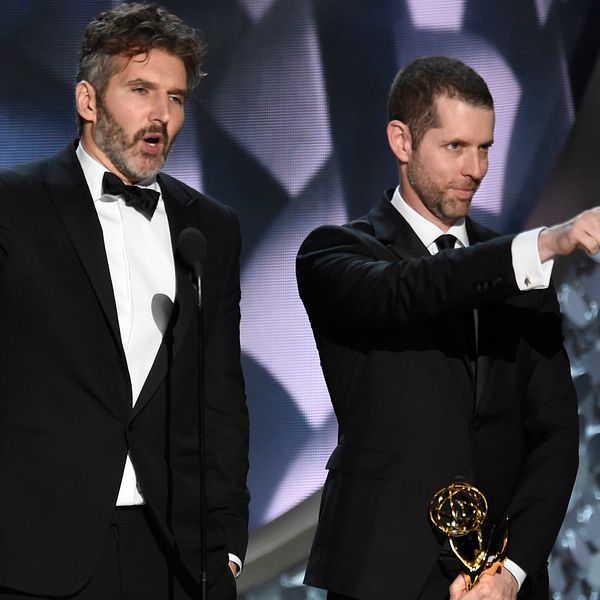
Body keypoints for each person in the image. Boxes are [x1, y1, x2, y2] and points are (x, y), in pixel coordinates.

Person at [296, 56, 599, 599]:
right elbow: (407, 291)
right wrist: (545, 243)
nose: (476, 169)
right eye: (455, 147)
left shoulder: (516, 270)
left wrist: (513, 572)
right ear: (402, 141)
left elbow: (555, 435)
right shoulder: (335, 252)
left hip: (501, 583)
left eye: (484, 147)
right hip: (381, 573)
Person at [0, 4, 248, 599]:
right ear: (88, 101)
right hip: (33, 549)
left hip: (171, 551)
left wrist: (230, 544)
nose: (161, 114)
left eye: (177, 97)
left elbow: (221, 398)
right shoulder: (14, 209)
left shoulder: (210, 228)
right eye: (141, 90)